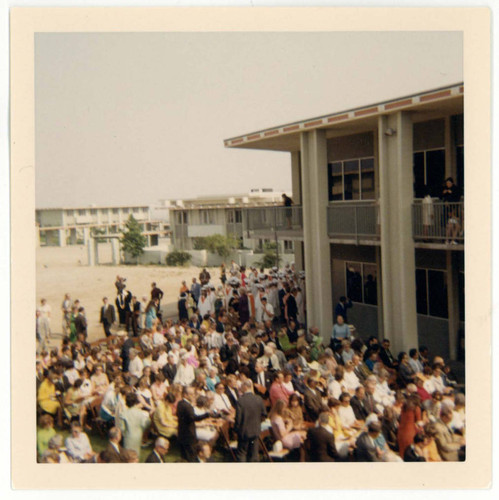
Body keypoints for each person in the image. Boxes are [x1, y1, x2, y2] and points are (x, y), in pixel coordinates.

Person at [177, 386, 212, 462]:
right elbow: (194, 418)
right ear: (185, 395)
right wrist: (207, 414)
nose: (193, 396)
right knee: (191, 457)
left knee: (184, 457)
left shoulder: (180, 403)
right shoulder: (187, 406)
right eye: (191, 394)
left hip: (182, 433)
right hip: (188, 434)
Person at [234, 380, 267, 462]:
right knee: (254, 454)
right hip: (255, 431)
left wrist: (236, 430)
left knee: (242, 454)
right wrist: (258, 423)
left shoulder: (240, 401)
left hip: (244, 432)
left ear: (245, 387)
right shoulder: (258, 399)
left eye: (241, 386)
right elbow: (264, 414)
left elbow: (238, 419)